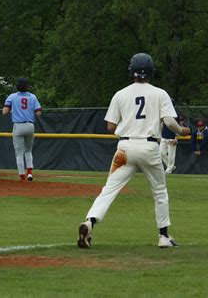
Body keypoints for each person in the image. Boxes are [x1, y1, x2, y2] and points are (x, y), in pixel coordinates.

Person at [77, 53, 190, 249]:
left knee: (109, 189)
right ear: (150, 72)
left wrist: (128, 125)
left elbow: (111, 126)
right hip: (149, 147)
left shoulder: (121, 94)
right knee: (159, 191)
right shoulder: (160, 93)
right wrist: (181, 131)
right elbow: (170, 122)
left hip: (125, 148)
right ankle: (163, 236)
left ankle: (90, 222)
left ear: (132, 71)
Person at [2, 77, 42, 181]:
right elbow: (38, 113)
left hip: (18, 126)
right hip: (30, 126)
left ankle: (22, 177)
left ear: (17, 86)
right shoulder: (33, 97)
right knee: (28, 150)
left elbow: (4, 112)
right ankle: (29, 173)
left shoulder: (12, 96)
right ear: (27, 86)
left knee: (19, 153)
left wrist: (13, 110)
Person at [159, 103, 180, 174]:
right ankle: (171, 166)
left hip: (172, 137)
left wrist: (176, 138)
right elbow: (162, 125)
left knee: (171, 154)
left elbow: (178, 127)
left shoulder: (176, 115)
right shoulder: (164, 113)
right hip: (164, 136)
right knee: (161, 152)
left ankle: (169, 169)